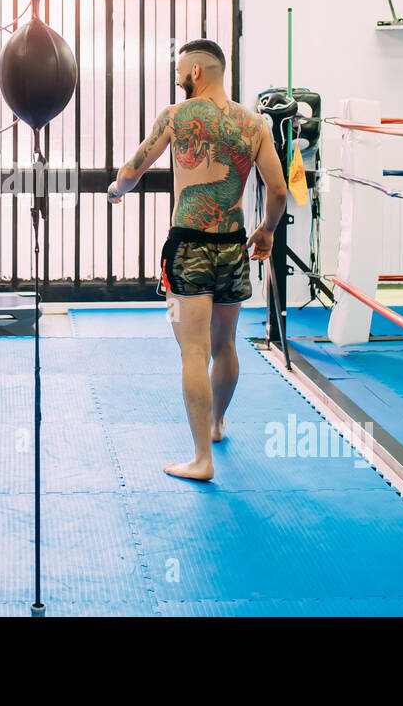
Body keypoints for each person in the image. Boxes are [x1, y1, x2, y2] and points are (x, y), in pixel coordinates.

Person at [107, 39, 287, 481]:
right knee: (224, 344)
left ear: (198, 73)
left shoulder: (175, 116)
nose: (177, 78)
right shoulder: (255, 123)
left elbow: (133, 170)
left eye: (180, 72)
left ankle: (201, 460)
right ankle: (217, 424)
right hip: (233, 245)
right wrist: (266, 230)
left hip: (188, 247)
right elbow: (279, 191)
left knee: (192, 350)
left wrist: (115, 191)